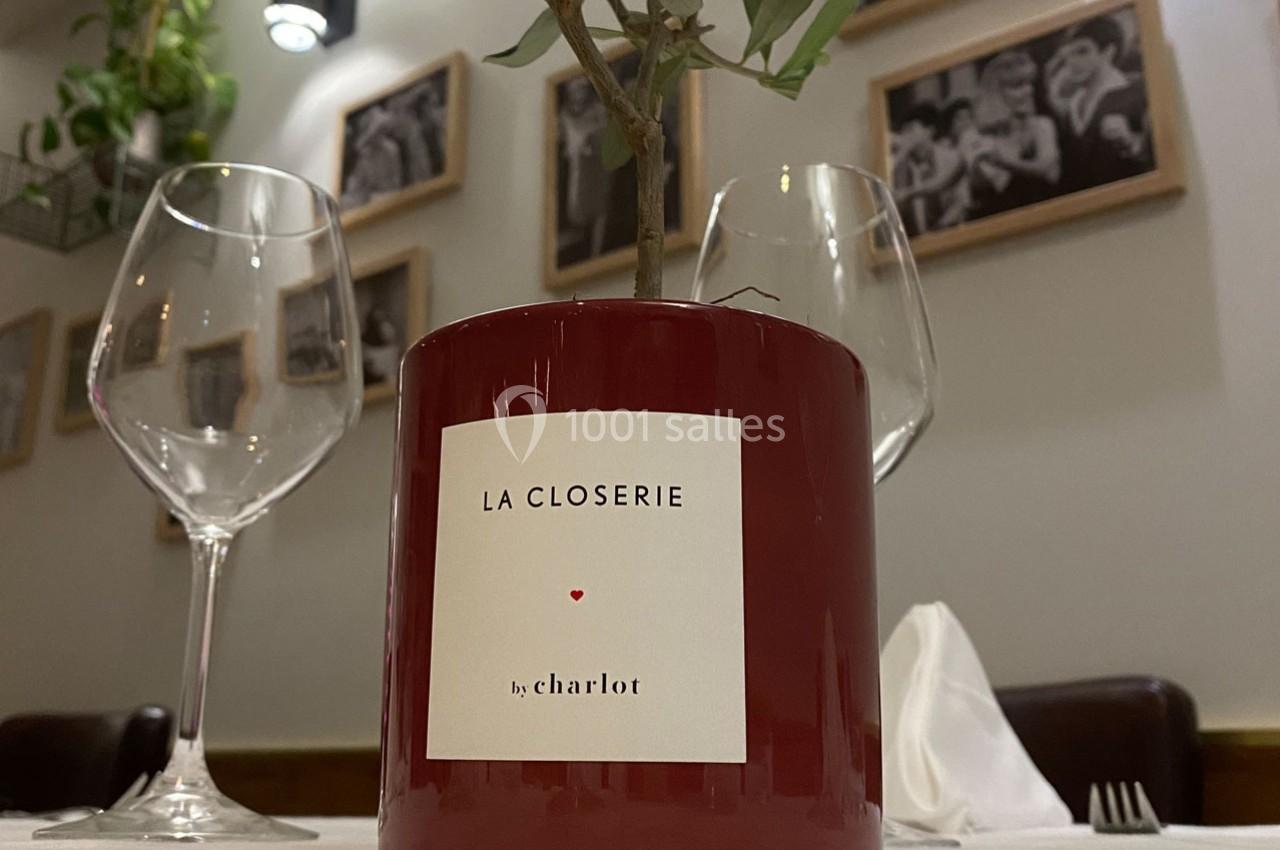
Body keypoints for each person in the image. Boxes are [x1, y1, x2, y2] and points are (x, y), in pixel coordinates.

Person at [1046, 13, 1154, 193]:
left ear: (1107, 52)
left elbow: (1156, 159)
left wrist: (1130, 141)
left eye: (1082, 51)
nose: (1072, 62)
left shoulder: (1137, 93)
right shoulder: (1073, 103)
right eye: (1068, 55)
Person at [966, 49, 1062, 220]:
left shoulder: (1042, 125)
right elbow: (976, 187)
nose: (1028, 91)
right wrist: (974, 163)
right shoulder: (979, 135)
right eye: (1017, 86)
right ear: (995, 93)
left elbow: (1046, 168)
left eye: (1029, 83)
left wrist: (1003, 162)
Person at [890, 103, 965, 237]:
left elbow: (944, 186)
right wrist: (901, 155)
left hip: (953, 233)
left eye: (911, 129)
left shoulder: (952, 157)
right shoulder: (903, 164)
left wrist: (908, 193)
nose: (905, 136)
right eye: (903, 131)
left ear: (930, 130)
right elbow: (896, 207)